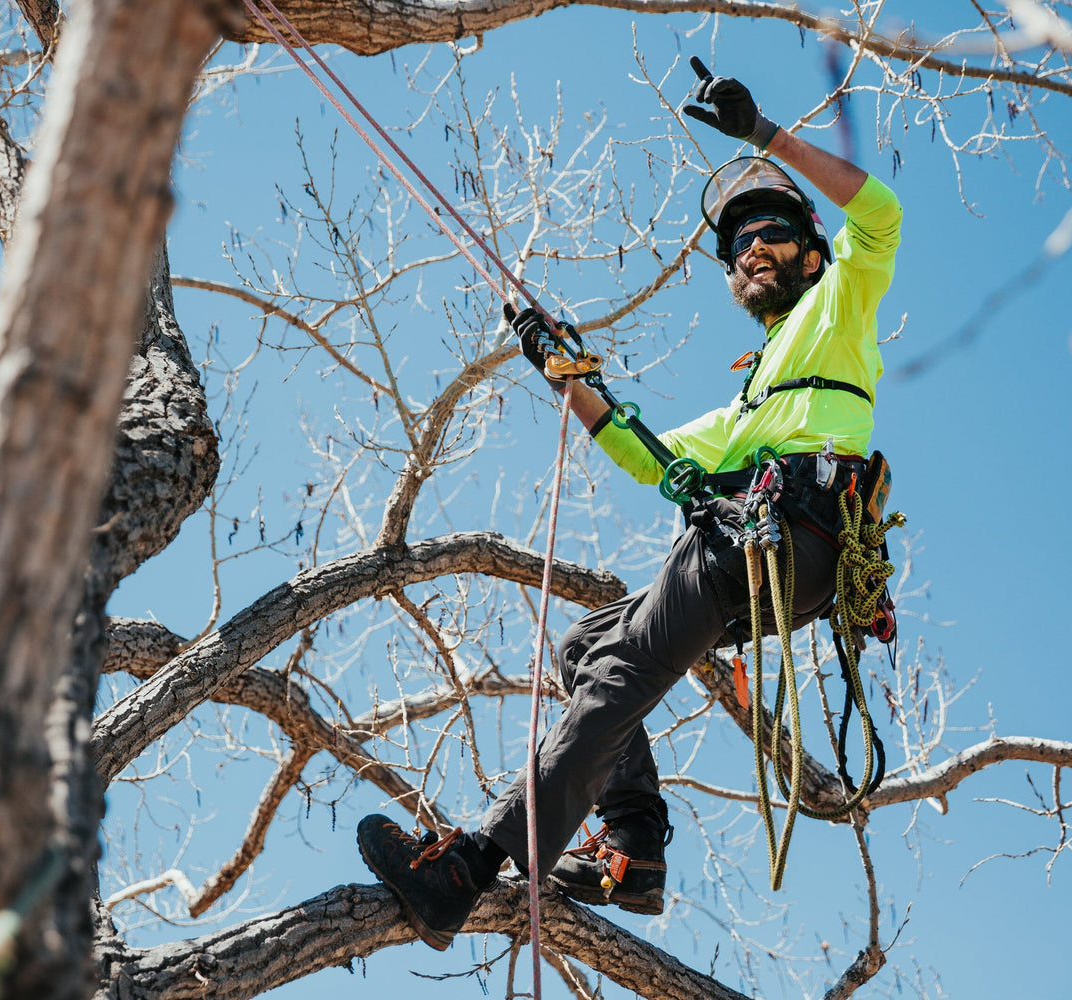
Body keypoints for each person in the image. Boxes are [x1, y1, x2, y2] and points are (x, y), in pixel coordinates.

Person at [356, 56, 902, 951]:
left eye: (765, 232)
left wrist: (762, 136)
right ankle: (635, 850)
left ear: (811, 250)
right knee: (588, 646)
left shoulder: (839, 305)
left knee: (623, 674)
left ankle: (471, 868)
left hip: (779, 530)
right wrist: (560, 367)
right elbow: (644, 454)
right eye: (734, 246)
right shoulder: (755, 400)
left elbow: (881, 216)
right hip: (773, 545)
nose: (747, 250)